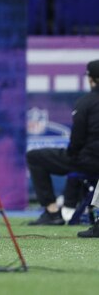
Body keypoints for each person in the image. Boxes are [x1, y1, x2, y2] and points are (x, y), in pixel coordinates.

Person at [26, 60, 99, 225]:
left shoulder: (86, 102)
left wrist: (72, 154)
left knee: (34, 157)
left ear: (90, 79)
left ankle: (52, 213)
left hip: (88, 161)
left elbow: (77, 139)